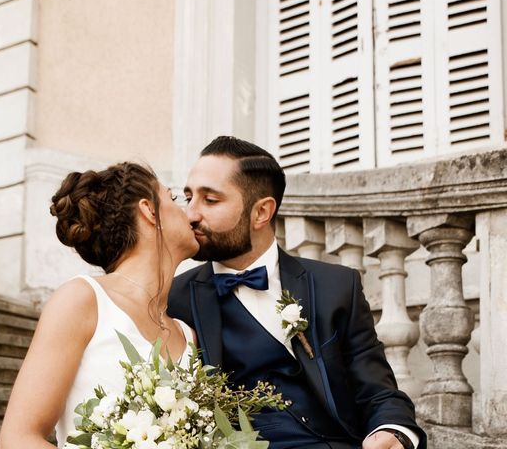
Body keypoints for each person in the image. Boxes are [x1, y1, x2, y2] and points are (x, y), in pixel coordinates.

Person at [167, 136, 426, 449]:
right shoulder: (174, 297)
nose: (190, 214)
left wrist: (392, 432)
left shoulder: (337, 286)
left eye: (210, 200)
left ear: (262, 212)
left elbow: (378, 391)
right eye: (188, 197)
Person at [0, 162, 199, 448]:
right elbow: (17, 439)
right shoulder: (82, 300)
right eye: (175, 199)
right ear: (149, 211)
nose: (190, 214)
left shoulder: (188, 335)